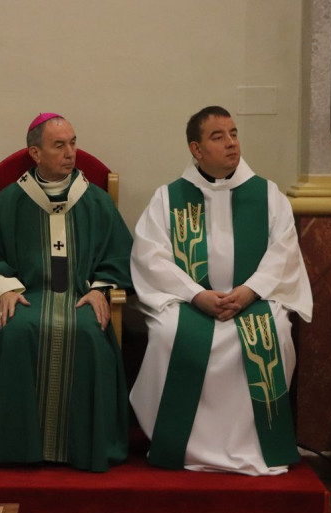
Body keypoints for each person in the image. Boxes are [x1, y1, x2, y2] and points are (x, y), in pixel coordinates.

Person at [129, 106, 313, 476]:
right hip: (193, 304)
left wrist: (250, 291)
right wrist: (195, 294)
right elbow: (151, 256)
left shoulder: (268, 195)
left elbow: (284, 252)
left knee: (276, 330)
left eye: (233, 133)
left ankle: (256, 444)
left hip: (252, 301)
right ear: (196, 150)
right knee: (167, 333)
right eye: (218, 136)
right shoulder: (169, 198)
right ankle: (181, 445)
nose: (231, 143)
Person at [0, 113, 133, 472]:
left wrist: (101, 289)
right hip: (26, 296)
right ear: (35, 153)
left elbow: (120, 256)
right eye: (59, 145)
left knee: (89, 332)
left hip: (82, 297)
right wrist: (4, 287)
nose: (71, 152)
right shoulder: (6, 204)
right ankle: (15, 447)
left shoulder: (97, 202)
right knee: (15, 332)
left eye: (73, 142)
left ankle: (84, 447)